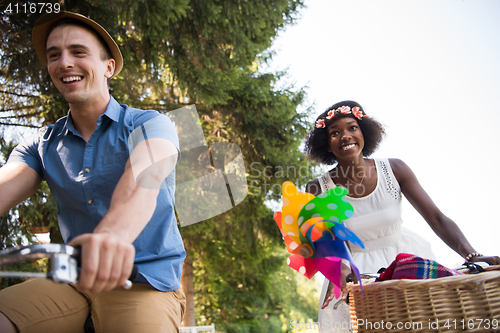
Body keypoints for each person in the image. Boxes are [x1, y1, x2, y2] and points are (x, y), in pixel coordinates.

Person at [0, 11, 186, 333]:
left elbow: (144, 180)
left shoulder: (151, 124)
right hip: (73, 281)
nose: (64, 62)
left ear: (108, 67)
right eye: (54, 55)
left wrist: (111, 236)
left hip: (144, 282)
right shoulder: (39, 145)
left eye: (78, 52)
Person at [303, 100, 500, 333]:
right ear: (327, 145)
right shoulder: (318, 189)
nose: (345, 136)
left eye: (352, 127)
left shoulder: (395, 169)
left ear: (364, 132)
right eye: (335, 133)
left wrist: (471, 254)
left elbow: (436, 218)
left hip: (407, 264)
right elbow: (326, 243)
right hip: (354, 278)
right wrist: (339, 270)